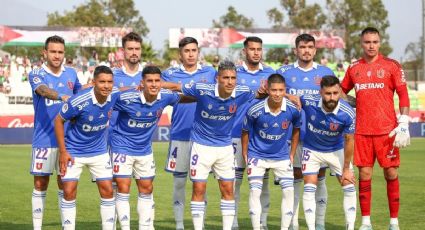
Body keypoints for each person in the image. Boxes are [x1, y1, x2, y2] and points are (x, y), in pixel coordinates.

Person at [162, 60, 267, 230]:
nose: (230, 82)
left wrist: (268, 92)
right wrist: (159, 83)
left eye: (233, 78)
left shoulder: (243, 92)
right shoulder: (202, 89)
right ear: (217, 78)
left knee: (228, 189)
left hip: (225, 148)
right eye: (226, 77)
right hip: (201, 147)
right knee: (199, 189)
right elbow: (177, 86)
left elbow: (260, 94)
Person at [341, 27, 411, 230]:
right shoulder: (354, 68)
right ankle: (365, 222)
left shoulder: (392, 66)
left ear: (379, 43)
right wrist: (356, 102)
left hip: (387, 131)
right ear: (361, 43)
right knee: (364, 176)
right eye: (367, 42)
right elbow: (341, 92)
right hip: (362, 131)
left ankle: (393, 222)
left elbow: (403, 94)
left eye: (374, 42)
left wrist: (404, 121)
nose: (371, 45)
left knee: (391, 174)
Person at [111, 66, 194, 230]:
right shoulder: (126, 98)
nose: (154, 84)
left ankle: (144, 226)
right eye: (150, 81)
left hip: (144, 150)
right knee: (123, 187)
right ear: (142, 83)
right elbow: (104, 100)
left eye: (157, 81)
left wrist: (206, 97)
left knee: (147, 188)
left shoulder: (165, 97)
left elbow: (184, 98)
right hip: (122, 147)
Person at [276, 33, 335, 230]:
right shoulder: (284, 71)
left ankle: (319, 223)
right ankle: (293, 223)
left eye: (310, 47)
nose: (306, 50)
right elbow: (272, 91)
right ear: (296, 50)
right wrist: (288, 95)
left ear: (315, 50)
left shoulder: (326, 72)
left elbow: (335, 100)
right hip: (293, 135)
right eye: (302, 47)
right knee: (296, 178)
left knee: (319, 178)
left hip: (318, 136)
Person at [54, 65, 119, 230]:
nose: (106, 86)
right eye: (102, 82)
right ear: (93, 83)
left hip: (99, 151)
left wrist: (139, 86)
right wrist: (63, 152)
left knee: (108, 191)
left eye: (109, 82)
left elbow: (124, 89)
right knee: (68, 191)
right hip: (74, 151)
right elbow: (58, 120)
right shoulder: (78, 101)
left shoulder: (115, 95)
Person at [161, 37, 216, 230]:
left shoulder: (210, 72)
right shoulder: (169, 74)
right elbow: (168, 97)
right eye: (187, 51)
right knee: (178, 183)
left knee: (201, 184)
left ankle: (199, 225)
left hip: (205, 137)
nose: (191, 54)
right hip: (180, 136)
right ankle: (179, 225)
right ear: (180, 54)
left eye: (194, 50)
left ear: (198, 52)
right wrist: (197, 94)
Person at [28, 35, 81, 230]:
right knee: (41, 184)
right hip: (44, 139)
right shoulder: (36, 73)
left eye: (60, 52)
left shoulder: (72, 74)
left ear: (64, 53)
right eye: (53, 51)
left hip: (68, 141)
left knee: (65, 185)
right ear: (45, 53)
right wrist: (62, 96)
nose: (57, 56)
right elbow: (42, 90)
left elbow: (80, 94)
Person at [242, 74, 301, 230]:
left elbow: (296, 130)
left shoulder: (292, 110)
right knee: (255, 191)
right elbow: (245, 131)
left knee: (289, 191)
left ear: (285, 90)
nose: (277, 94)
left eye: (281, 90)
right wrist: (245, 154)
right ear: (267, 90)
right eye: (274, 90)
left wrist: (292, 153)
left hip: (281, 156)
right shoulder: (255, 110)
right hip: (257, 155)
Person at [300, 75, 357, 230]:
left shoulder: (348, 113)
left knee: (349, 185)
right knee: (309, 186)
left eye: (335, 93)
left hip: (336, 150)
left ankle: (350, 227)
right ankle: (313, 227)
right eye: (328, 93)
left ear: (339, 92)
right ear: (321, 92)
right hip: (312, 150)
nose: (332, 97)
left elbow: (349, 140)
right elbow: (294, 99)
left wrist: (346, 169)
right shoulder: (308, 101)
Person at [232, 36, 276, 229]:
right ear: (244, 51)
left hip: (260, 137)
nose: (256, 52)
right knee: (235, 180)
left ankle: (262, 222)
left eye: (259, 49)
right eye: (252, 49)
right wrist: (254, 95)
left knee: (263, 182)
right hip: (234, 133)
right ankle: (232, 222)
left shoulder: (270, 73)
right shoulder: (234, 73)